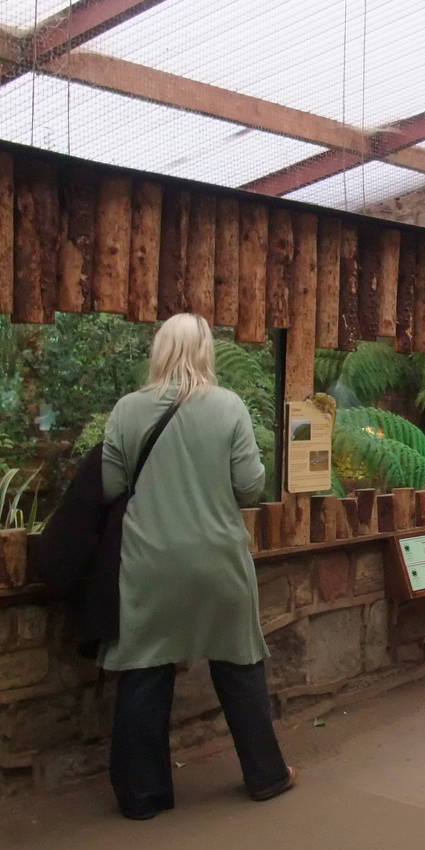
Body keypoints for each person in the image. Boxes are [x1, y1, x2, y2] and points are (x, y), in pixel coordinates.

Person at [102, 313, 293, 820]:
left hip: (148, 562)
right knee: (239, 664)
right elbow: (250, 485)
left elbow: (109, 487)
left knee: (143, 667)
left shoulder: (126, 410)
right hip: (217, 560)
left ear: (159, 351)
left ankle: (143, 798)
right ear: (207, 352)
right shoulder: (228, 406)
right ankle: (267, 776)